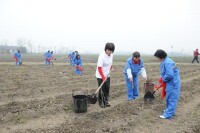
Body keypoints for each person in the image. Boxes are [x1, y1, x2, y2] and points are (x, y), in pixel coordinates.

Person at [154, 49, 181, 119]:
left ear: (160, 56)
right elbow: (163, 73)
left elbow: (169, 74)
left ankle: (168, 114)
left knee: (172, 98)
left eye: (157, 57)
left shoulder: (167, 62)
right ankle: (171, 111)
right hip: (169, 83)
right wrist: (160, 80)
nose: (157, 59)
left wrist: (163, 79)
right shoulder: (164, 61)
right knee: (168, 97)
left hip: (173, 83)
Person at [95, 43, 115, 108]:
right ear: (106, 49)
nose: (110, 52)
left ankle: (106, 101)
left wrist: (111, 67)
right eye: (108, 50)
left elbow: (110, 63)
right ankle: (101, 102)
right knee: (102, 90)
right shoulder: (101, 56)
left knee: (107, 89)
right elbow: (99, 68)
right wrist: (103, 77)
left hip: (107, 75)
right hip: (100, 76)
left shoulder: (111, 55)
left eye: (111, 51)